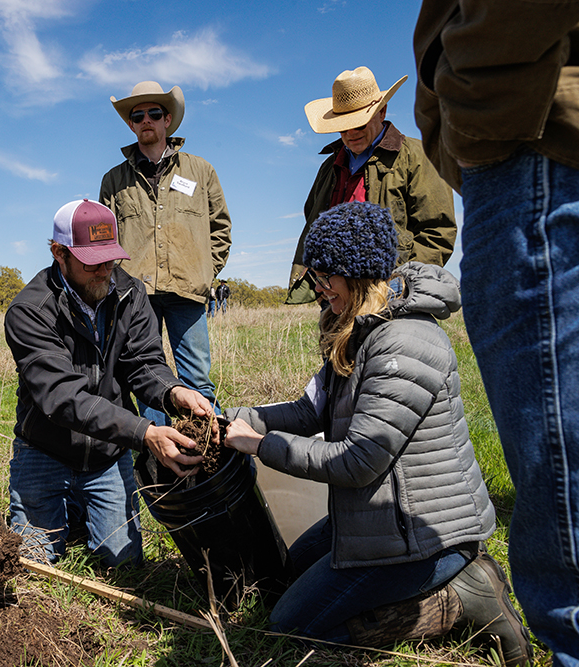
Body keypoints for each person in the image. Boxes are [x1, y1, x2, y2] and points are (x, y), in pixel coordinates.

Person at [223, 202, 531, 665]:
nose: (320, 288)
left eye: (326, 277)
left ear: (358, 272)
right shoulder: (360, 330)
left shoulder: (405, 342)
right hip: (381, 519)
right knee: (291, 570)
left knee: (291, 627)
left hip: (427, 537)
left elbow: (358, 461)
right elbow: (310, 411)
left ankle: (460, 596)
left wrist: (259, 445)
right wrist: (227, 416)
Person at [414, 4, 579, 663]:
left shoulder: (399, 158)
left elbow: (429, 230)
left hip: (526, 140)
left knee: (560, 470)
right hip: (510, 140)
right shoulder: (331, 171)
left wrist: (477, 105)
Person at [4, 199, 212, 567]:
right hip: (45, 451)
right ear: (58, 253)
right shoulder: (29, 311)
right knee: (33, 566)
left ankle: (82, 513)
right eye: (91, 261)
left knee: (125, 566)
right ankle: (66, 510)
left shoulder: (130, 294)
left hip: (106, 453)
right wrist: (146, 433)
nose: (104, 271)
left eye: (110, 258)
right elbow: (64, 397)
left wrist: (174, 391)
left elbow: (144, 363)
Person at [99, 81, 231, 424]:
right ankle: (160, 461)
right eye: (137, 115)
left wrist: (203, 271)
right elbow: (104, 240)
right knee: (147, 380)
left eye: (154, 113)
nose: (146, 120)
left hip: (188, 291)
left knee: (197, 380)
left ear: (167, 120)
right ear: (130, 124)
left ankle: (209, 459)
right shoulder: (113, 180)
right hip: (134, 295)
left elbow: (221, 229)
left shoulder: (200, 171)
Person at [285, 66, 456, 304]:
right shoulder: (329, 166)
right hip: (335, 298)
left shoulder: (417, 156)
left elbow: (437, 232)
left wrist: (399, 284)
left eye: (359, 124)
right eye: (343, 127)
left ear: (382, 112)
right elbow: (313, 221)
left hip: (392, 296)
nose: (350, 133)